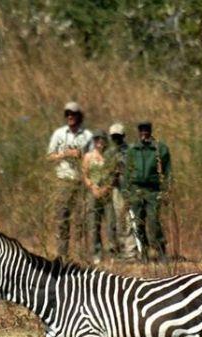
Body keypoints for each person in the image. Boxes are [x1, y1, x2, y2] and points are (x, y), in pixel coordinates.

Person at [46, 102, 94, 258]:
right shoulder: (59, 134)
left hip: (81, 181)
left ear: (79, 116)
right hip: (64, 181)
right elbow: (49, 156)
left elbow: (95, 158)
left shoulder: (87, 136)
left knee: (81, 219)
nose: (70, 117)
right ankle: (62, 255)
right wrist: (64, 154)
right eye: (67, 114)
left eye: (73, 114)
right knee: (62, 218)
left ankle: (81, 254)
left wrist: (81, 155)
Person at [123, 121, 171, 261]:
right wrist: (126, 192)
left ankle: (161, 251)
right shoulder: (133, 150)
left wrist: (166, 190)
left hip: (153, 190)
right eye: (141, 130)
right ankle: (143, 252)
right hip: (136, 190)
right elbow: (128, 171)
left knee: (154, 222)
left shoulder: (159, 149)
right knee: (138, 223)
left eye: (146, 130)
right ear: (138, 132)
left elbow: (168, 171)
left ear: (150, 131)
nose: (144, 133)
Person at [81, 133, 117, 263]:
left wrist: (107, 188)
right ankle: (97, 253)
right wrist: (92, 187)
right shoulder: (88, 156)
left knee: (111, 223)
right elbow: (85, 175)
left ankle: (113, 253)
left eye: (102, 139)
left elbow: (114, 175)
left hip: (107, 192)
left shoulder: (110, 157)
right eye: (97, 139)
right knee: (94, 224)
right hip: (93, 193)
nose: (100, 142)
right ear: (94, 141)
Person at [106, 123, 138, 260]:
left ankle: (131, 252)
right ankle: (123, 252)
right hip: (116, 190)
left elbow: (135, 169)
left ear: (123, 136)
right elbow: (106, 172)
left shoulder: (131, 150)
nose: (116, 139)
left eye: (118, 136)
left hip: (130, 189)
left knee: (130, 219)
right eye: (114, 137)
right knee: (119, 221)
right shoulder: (109, 153)